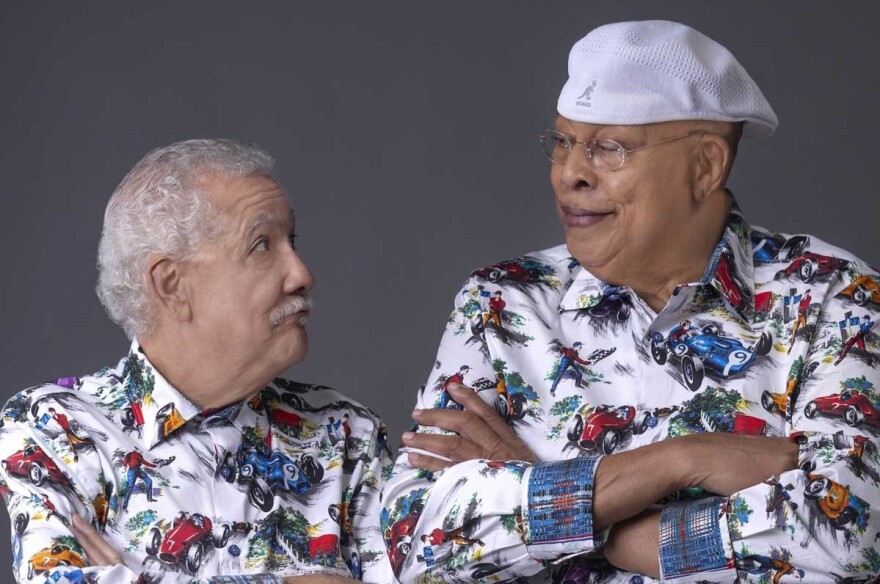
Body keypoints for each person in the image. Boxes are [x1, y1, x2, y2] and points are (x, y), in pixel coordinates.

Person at [385, 20, 880, 582]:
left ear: (705, 167)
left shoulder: (832, 297)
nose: (569, 174)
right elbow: (419, 540)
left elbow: (849, 544)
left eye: (608, 149)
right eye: (564, 143)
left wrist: (554, 502)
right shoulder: (502, 304)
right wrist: (680, 461)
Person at [0, 140, 393, 583]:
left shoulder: (347, 436)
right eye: (262, 244)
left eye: (292, 241)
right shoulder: (57, 429)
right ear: (171, 285)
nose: (302, 274)